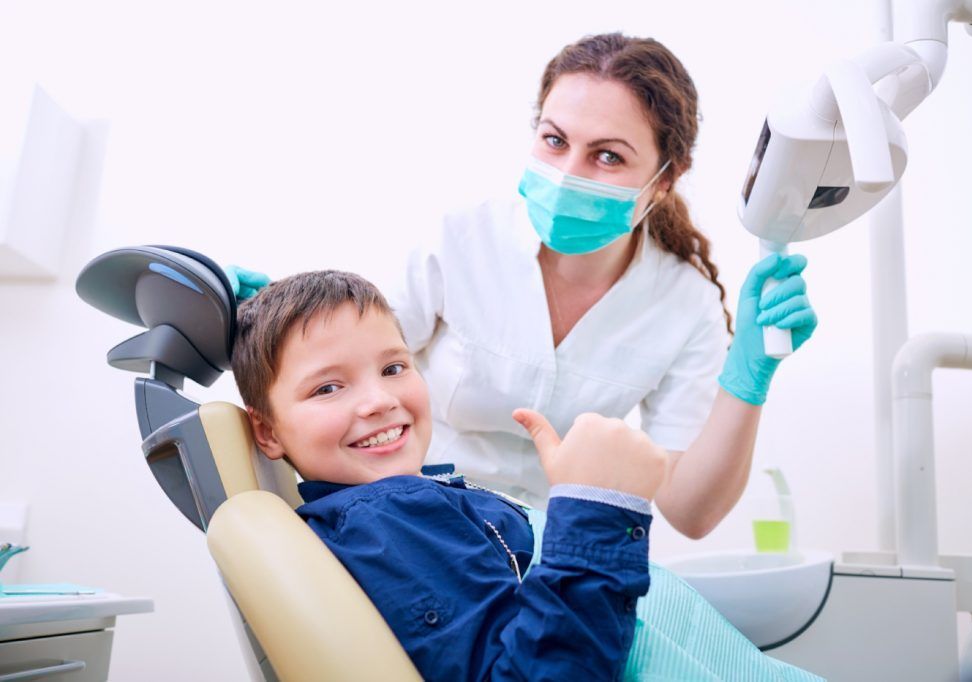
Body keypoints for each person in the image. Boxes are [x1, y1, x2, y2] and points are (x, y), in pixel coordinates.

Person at [227, 32, 817, 534]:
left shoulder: (683, 303)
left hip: (546, 549)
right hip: (414, 526)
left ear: (666, 178)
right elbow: (348, 368)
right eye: (555, 140)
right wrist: (265, 320)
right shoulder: (461, 240)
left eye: (607, 156)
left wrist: (748, 383)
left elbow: (689, 512)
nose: (567, 174)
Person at [229, 269, 821, 681]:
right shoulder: (391, 519)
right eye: (329, 387)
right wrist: (595, 509)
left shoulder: (402, 505)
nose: (379, 400)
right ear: (269, 432)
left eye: (393, 366)